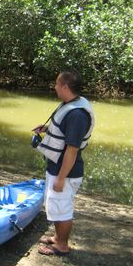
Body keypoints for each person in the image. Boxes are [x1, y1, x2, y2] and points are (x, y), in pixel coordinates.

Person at [32, 69, 95, 256]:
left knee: (62, 207)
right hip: (57, 167)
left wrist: (61, 178)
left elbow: (72, 149)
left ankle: (62, 245)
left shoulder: (77, 115)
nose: (55, 87)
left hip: (65, 171)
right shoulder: (71, 104)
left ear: (65, 87)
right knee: (56, 205)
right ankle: (57, 237)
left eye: (57, 84)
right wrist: (46, 129)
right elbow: (64, 132)